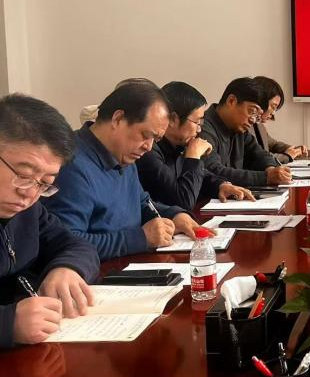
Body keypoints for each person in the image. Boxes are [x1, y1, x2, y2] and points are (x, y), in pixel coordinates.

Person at [45, 81, 207, 261]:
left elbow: (141, 202)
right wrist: (139, 238)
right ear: (118, 119)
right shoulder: (71, 166)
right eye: (146, 135)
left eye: (155, 140)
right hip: (99, 273)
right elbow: (66, 243)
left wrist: (174, 214)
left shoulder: (123, 154)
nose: (148, 147)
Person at [0, 94, 100, 348]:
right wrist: (8, 324)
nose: (29, 193)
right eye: (24, 175)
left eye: (45, 183)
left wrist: (67, 268)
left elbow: (77, 245)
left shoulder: (28, 210)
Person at [136, 81, 254, 211]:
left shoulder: (178, 145)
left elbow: (202, 175)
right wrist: (193, 157)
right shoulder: (148, 151)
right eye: (197, 122)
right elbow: (183, 202)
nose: (199, 129)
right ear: (173, 119)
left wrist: (220, 186)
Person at [199, 77, 292, 187]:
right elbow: (213, 172)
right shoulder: (202, 128)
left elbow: (259, 154)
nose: (253, 120)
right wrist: (266, 178)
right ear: (231, 101)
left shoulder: (239, 129)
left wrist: (271, 169)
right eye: (252, 111)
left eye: (257, 116)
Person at [252, 76, 307, 164]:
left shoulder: (259, 125)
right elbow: (257, 157)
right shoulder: (244, 125)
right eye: (273, 107)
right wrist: (287, 156)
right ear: (260, 100)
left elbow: (273, 144)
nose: (273, 113)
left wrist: (292, 149)